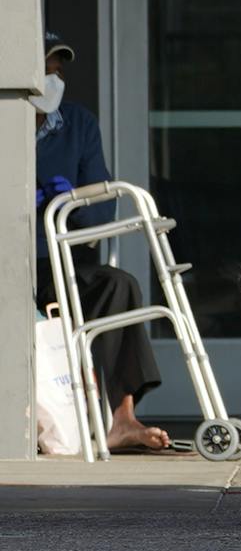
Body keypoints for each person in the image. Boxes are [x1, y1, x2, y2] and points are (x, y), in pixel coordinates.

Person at [33, 30, 169, 454]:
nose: (53, 76)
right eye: (44, 68)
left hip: (61, 258)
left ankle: (120, 419)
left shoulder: (77, 123)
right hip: (15, 261)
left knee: (118, 284)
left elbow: (100, 210)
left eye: (57, 68)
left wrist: (64, 199)